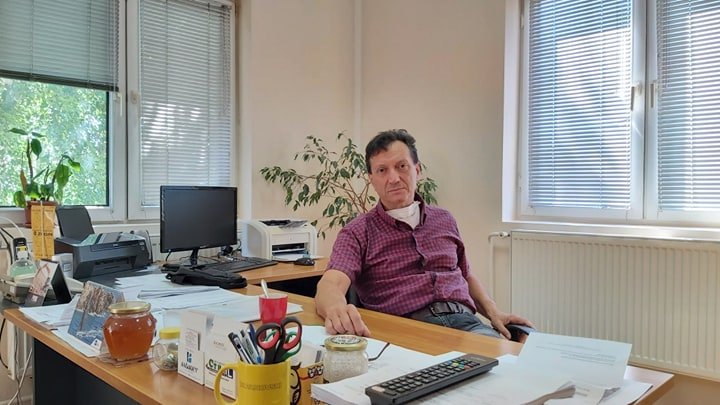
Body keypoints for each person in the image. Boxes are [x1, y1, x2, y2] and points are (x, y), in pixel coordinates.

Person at [314, 129, 533, 340]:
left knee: (528, 352)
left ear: (417, 170)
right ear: (371, 179)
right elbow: (330, 284)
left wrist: (495, 313)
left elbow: (465, 275)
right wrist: (336, 309)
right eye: (382, 170)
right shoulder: (358, 231)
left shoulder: (444, 220)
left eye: (402, 166)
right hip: (407, 330)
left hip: (466, 324)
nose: (394, 178)